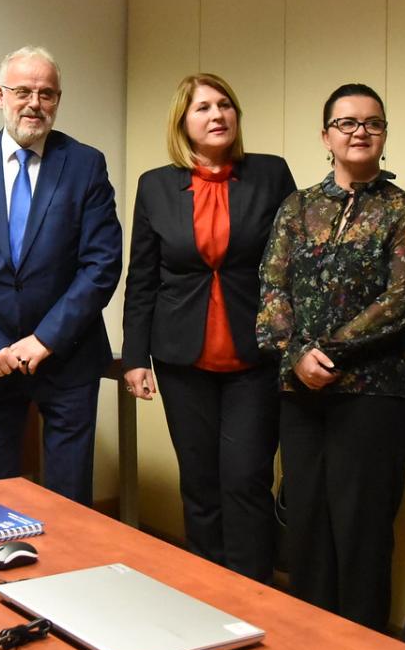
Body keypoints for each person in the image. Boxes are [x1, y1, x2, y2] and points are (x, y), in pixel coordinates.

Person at [257, 83, 405, 629]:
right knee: (305, 525)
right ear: (326, 135)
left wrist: (323, 353)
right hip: (301, 393)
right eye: (347, 122)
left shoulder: (403, 210)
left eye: (372, 123)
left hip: (375, 394)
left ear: (383, 134)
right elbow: (271, 288)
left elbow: (399, 300)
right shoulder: (298, 206)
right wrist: (296, 356)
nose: (360, 132)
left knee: (361, 532)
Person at [120, 73, 294, 579]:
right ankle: (208, 590)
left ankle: (255, 593)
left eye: (225, 105)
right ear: (183, 121)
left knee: (245, 479)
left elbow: (292, 263)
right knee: (198, 482)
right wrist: (135, 357)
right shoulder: (156, 185)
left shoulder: (270, 174)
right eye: (203, 108)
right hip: (181, 356)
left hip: (254, 356)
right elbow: (143, 277)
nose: (217, 115)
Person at [0, 46, 122, 504]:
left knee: (70, 501)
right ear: (0, 96)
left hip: (66, 357)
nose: (34, 103)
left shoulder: (85, 165)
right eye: (23, 91)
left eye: (47, 93)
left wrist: (44, 340)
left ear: (58, 100)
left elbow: (101, 264)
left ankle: (68, 576)